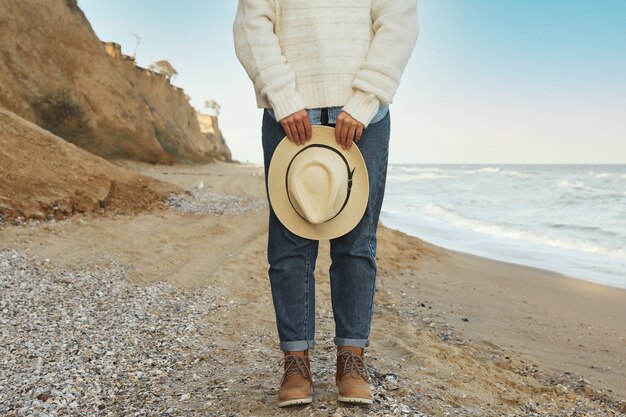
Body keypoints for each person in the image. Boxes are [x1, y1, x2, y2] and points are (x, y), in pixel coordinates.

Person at [233, 0, 418, 407]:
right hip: (288, 115)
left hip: (363, 118)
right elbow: (253, 23)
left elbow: (398, 22)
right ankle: (295, 363)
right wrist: (282, 96)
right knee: (290, 243)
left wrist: (366, 99)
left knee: (356, 242)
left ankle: (351, 359)